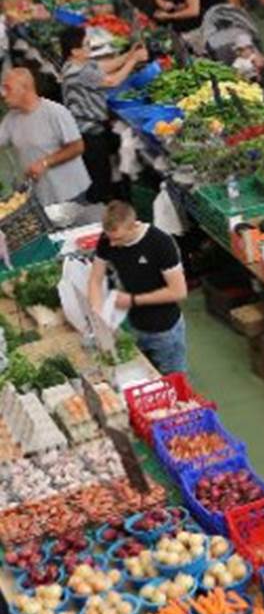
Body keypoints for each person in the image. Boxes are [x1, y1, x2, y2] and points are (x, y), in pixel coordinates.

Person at [88, 202, 189, 373]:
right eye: (109, 238)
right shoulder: (108, 240)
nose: (112, 244)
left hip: (164, 330)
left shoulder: (160, 243)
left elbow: (179, 291)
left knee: (172, 380)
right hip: (134, 325)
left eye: (118, 239)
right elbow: (95, 280)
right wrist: (97, 315)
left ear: (133, 226)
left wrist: (133, 300)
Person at [60, 28, 144, 202]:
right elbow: (113, 81)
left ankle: (114, 193)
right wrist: (134, 60)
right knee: (98, 177)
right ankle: (100, 206)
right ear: (75, 51)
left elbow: (108, 66)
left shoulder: (79, 63)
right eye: (86, 44)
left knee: (106, 163)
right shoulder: (78, 72)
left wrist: (129, 54)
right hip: (87, 132)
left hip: (93, 126)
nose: (90, 47)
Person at [0, 68, 89, 206]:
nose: (3, 94)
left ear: (25, 88)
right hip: (42, 195)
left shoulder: (55, 112)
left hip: (69, 192)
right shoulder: (11, 119)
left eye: (8, 88)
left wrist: (45, 162)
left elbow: (77, 147)